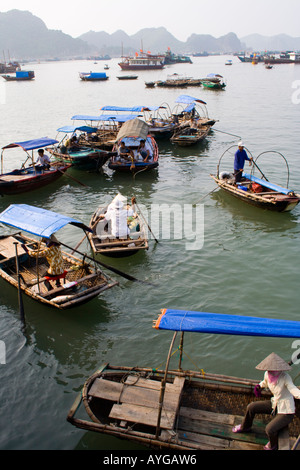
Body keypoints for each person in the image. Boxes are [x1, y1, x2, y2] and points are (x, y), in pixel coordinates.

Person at [232, 352, 300, 450]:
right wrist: (259, 386)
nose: (271, 372)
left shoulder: (285, 377)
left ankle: (273, 445)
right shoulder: (267, 374)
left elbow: (293, 390)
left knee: (269, 429)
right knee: (251, 407)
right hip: (275, 403)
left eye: (273, 370)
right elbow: (265, 382)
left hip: (286, 410)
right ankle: (245, 427)